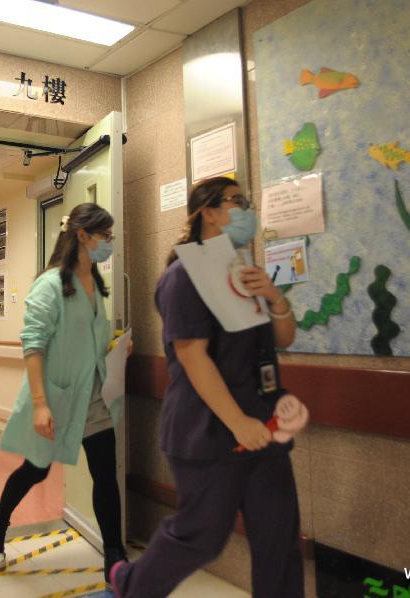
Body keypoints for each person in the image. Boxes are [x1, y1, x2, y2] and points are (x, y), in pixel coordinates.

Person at [110, 177, 303, 597]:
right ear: (208, 213)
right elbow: (194, 357)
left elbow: (283, 338)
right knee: (201, 537)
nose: (247, 209)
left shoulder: (241, 270)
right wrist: (238, 422)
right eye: (238, 202)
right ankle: (131, 584)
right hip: (210, 435)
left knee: (280, 540)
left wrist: (275, 297)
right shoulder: (182, 277)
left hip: (265, 431)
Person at [0, 202, 128, 583]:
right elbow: (33, 344)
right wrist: (41, 405)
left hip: (92, 397)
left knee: (104, 474)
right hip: (56, 397)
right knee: (36, 470)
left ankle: (114, 554)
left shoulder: (95, 285)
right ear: (83, 236)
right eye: (105, 237)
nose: (109, 244)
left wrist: (113, 349)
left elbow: (87, 340)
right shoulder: (49, 285)